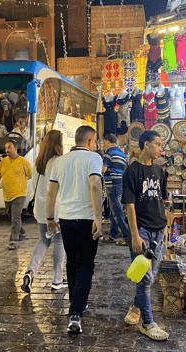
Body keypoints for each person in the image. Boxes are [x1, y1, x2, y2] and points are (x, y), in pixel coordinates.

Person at [46, 125, 103, 334]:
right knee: (86, 265)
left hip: (66, 219)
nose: (94, 145)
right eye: (94, 141)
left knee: (72, 262)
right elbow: (95, 186)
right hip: (87, 219)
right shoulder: (93, 158)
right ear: (89, 141)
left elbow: (51, 192)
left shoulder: (59, 161)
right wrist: (98, 217)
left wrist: (50, 217)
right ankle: (75, 313)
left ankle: (77, 302)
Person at [122, 130, 169, 341]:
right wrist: (134, 235)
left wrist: (166, 226)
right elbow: (129, 205)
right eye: (158, 144)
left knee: (148, 278)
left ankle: (136, 305)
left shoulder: (160, 171)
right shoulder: (131, 171)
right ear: (146, 145)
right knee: (145, 277)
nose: (161, 148)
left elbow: (163, 200)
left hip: (159, 229)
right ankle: (148, 323)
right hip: (141, 230)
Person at [21, 130, 67, 293]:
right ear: (58, 144)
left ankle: (30, 271)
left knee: (44, 240)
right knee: (60, 242)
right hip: (56, 208)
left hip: (40, 208)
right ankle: (57, 280)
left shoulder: (38, 162)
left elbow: (34, 187)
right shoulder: (60, 162)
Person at [0, 139, 32, 250]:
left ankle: (13, 240)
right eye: (6, 148)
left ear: (15, 148)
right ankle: (20, 231)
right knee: (11, 215)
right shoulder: (4, 162)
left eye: (9, 147)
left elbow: (31, 175)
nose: (7, 150)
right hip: (7, 194)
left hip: (19, 193)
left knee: (15, 216)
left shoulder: (23, 161)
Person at [100, 134, 130, 246]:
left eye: (104, 142)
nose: (104, 144)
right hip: (120, 183)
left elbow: (103, 169)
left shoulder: (108, 152)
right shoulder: (121, 153)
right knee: (115, 208)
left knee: (117, 211)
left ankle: (128, 235)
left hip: (111, 183)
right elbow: (126, 168)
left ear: (107, 141)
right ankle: (114, 233)